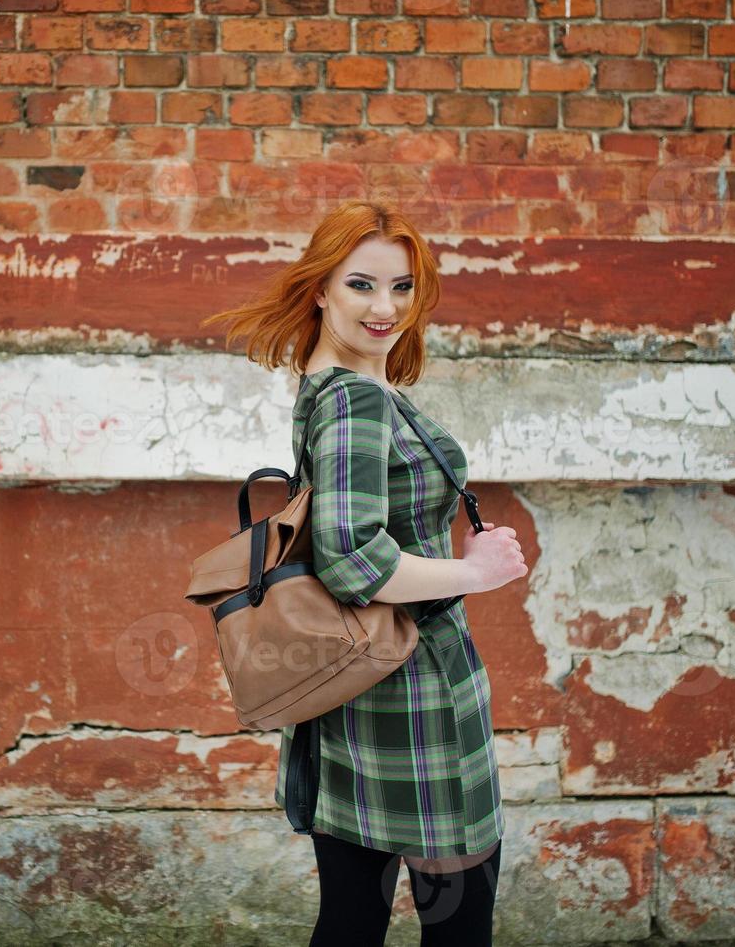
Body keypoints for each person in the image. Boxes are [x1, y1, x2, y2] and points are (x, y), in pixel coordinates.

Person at [201, 201, 528, 945]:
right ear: (320, 289)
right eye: (361, 286)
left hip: (350, 691)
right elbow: (355, 561)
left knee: (351, 918)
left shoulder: (330, 387)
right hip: (416, 702)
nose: (386, 309)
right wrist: (473, 572)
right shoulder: (353, 401)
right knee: (457, 926)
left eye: (402, 288)